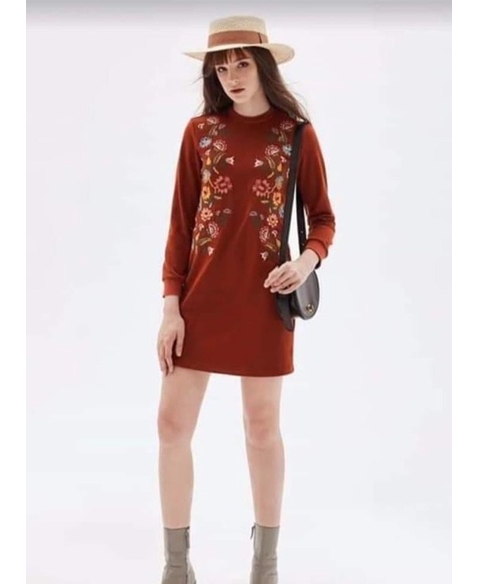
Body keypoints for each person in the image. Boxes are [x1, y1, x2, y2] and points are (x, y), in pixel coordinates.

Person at [155, 15, 336, 584]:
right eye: (221, 67)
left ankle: (265, 566)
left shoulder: (296, 133)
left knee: (261, 429)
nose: (231, 76)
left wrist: (305, 261)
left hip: (264, 302)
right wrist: (170, 307)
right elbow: (181, 225)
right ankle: (176, 566)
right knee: (170, 426)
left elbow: (323, 219)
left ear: (263, 67)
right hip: (201, 302)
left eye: (241, 64)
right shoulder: (200, 133)